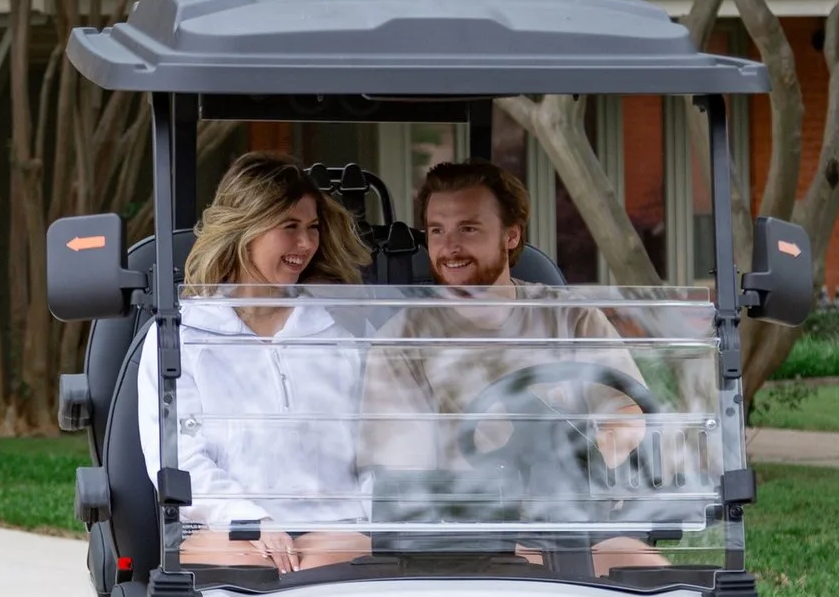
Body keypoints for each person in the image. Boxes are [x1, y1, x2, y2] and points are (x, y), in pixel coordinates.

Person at [361, 160, 666, 572]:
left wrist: (587, 468)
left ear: (511, 235)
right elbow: (406, 475)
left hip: (571, 523)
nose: (449, 246)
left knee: (650, 577)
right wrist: (507, 538)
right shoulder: (402, 338)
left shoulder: (568, 317)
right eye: (437, 231)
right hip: (460, 535)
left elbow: (627, 413)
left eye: (468, 228)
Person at [137, 153, 374, 572]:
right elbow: (178, 459)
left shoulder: (342, 330)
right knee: (254, 565)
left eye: (313, 228)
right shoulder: (181, 336)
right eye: (290, 227)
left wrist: (375, 519)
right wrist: (252, 521)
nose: (306, 244)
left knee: (330, 559)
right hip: (227, 530)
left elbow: (376, 443)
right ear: (247, 230)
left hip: (333, 526)